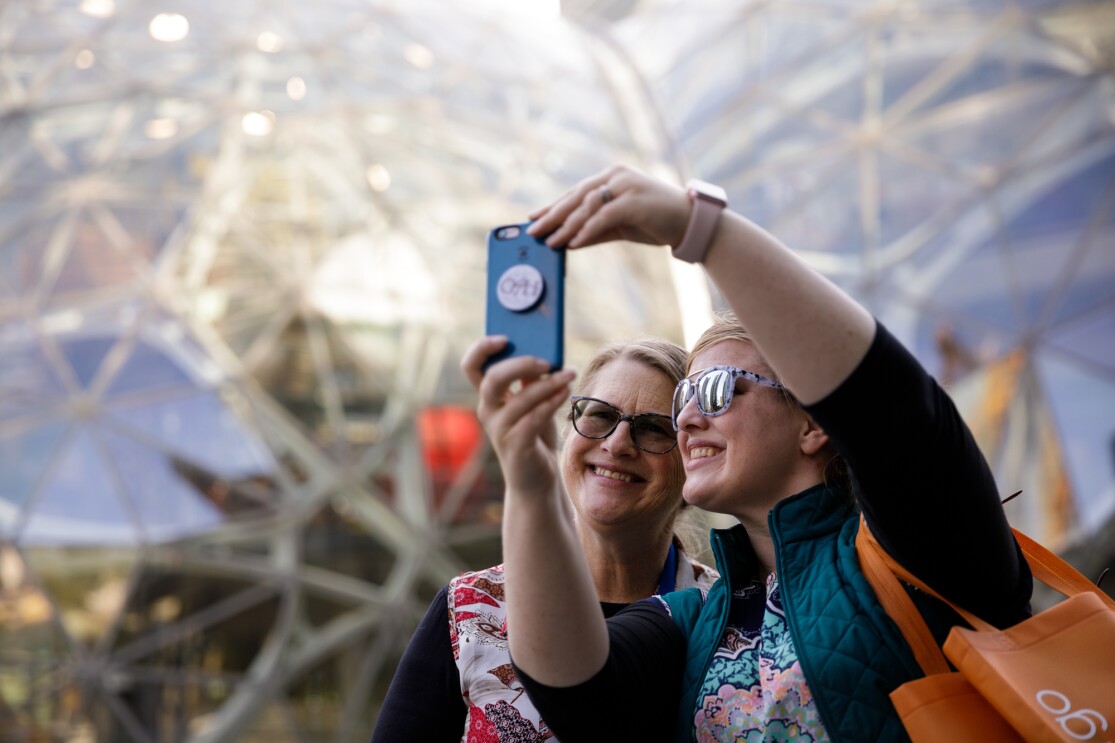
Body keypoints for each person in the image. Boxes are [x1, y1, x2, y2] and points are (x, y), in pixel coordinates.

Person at [468, 165, 1033, 742]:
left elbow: (892, 409)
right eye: (685, 398)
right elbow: (577, 692)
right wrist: (530, 485)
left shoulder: (911, 551)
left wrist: (702, 230)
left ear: (813, 423)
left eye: (715, 391)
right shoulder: (697, 617)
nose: (686, 417)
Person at [371, 338, 718, 742]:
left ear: (693, 458)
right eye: (599, 416)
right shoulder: (468, 609)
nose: (617, 444)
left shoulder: (730, 616)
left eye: (655, 429)